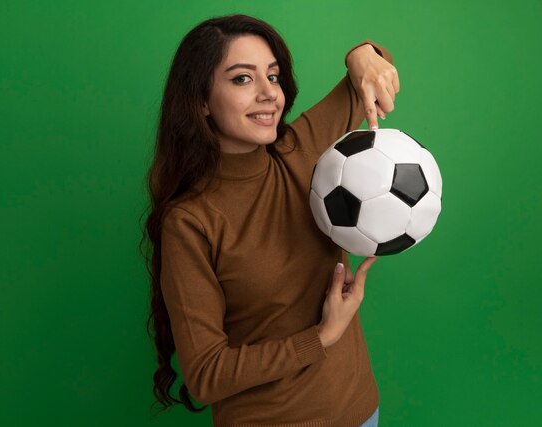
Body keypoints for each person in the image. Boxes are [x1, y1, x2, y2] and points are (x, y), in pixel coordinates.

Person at [141, 14, 399, 426]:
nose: (268, 94)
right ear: (201, 100)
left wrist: (360, 53)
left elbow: (372, 71)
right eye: (242, 79)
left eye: (274, 77)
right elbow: (205, 376)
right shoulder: (190, 221)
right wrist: (321, 337)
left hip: (361, 411)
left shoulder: (299, 151)